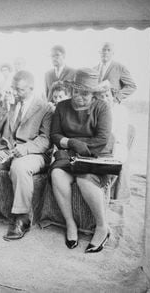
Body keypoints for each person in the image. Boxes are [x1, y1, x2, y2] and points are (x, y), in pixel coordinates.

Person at [0, 70, 53, 241]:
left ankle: (22, 218)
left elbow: (46, 140)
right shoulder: (13, 105)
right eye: (13, 89)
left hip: (34, 154)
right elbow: (6, 134)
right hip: (8, 151)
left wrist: (26, 149)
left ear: (31, 88)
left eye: (19, 90)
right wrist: (7, 145)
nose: (15, 93)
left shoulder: (46, 108)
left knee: (20, 166)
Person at [50, 68, 113, 253]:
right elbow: (55, 135)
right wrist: (71, 142)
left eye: (85, 93)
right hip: (69, 154)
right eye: (76, 92)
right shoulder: (62, 107)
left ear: (93, 94)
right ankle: (71, 224)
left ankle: (102, 227)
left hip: (96, 155)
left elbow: (102, 139)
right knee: (57, 174)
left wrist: (80, 145)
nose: (79, 96)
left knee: (84, 178)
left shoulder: (102, 107)